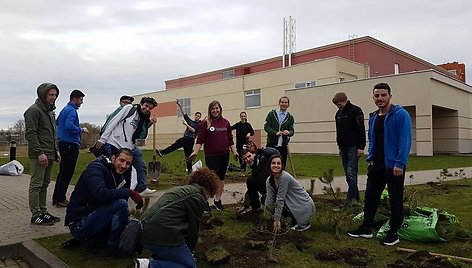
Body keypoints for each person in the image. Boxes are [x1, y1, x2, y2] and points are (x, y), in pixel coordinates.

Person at [348, 82, 412, 246]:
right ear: (373, 97)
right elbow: (373, 140)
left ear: (390, 96)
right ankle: (366, 228)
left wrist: (400, 163)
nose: (380, 98)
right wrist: (370, 159)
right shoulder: (375, 116)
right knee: (370, 197)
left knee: (395, 199)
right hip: (377, 164)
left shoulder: (400, 114)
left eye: (383, 95)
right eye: (377, 95)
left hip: (394, 166)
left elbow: (405, 140)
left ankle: (393, 233)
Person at [134, 167, 217, 268]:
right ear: (208, 188)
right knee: (189, 266)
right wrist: (189, 252)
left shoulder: (181, 190)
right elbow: (193, 229)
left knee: (173, 258)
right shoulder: (197, 197)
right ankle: (148, 265)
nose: (208, 199)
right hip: (161, 233)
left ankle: (157, 260)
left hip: (145, 229)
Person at [65, 148, 144, 253]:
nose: (124, 166)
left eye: (128, 163)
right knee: (121, 204)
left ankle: (104, 240)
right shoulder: (95, 169)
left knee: (133, 223)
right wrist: (130, 192)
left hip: (95, 216)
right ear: (113, 158)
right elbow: (101, 194)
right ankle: (112, 247)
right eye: (121, 160)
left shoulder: (118, 174)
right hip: (79, 223)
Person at [96, 96, 158, 196]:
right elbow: (114, 121)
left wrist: (150, 122)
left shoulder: (144, 117)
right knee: (115, 169)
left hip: (130, 146)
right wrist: (103, 139)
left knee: (139, 165)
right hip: (115, 143)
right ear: (141, 104)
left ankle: (138, 189)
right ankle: (108, 192)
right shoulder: (129, 109)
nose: (147, 109)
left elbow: (141, 129)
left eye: (150, 108)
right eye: (146, 106)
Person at [189, 100, 238, 211]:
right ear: (210, 110)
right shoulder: (205, 123)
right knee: (210, 179)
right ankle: (205, 201)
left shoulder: (225, 122)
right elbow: (200, 139)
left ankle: (217, 200)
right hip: (211, 155)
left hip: (224, 154)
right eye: (213, 108)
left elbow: (230, 139)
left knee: (221, 177)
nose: (215, 110)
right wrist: (195, 152)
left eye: (217, 108)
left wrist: (235, 152)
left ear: (220, 109)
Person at [24, 83, 61, 226]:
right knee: (36, 184)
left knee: (45, 184)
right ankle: (36, 215)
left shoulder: (50, 111)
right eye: (50, 94)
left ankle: (43, 211)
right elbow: (31, 134)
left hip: (50, 153)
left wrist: (56, 150)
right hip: (39, 154)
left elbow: (52, 134)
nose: (53, 97)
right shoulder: (33, 111)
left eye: (55, 95)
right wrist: (39, 153)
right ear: (43, 94)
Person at [52, 89, 89, 208]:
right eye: (81, 100)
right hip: (70, 144)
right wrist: (81, 129)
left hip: (63, 143)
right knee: (67, 173)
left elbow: (57, 123)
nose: (81, 102)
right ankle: (61, 198)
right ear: (75, 99)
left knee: (62, 172)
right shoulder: (72, 111)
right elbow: (69, 126)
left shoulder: (64, 110)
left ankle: (56, 197)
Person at [265, 155, 315, 233]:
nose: (276, 165)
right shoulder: (269, 180)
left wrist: (277, 220)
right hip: (291, 203)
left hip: (303, 205)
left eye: (279, 163)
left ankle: (301, 222)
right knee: (264, 198)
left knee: (279, 201)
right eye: (273, 163)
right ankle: (289, 220)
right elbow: (269, 198)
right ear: (269, 165)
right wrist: (267, 218)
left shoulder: (285, 177)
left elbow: (280, 199)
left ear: (282, 166)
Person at [332, 92, 366, 203]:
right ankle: (355, 198)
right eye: (337, 105)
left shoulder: (356, 111)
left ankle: (350, 199)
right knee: (348, 174)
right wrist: (340, 147)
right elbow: (339, 131)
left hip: (353, 147)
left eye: (339, 104)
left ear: (345, 100)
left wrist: (361, 147)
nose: (338, 106)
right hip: (344, 147)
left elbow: (361, 129)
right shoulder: (338, 114)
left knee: (351, 173)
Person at [156, 100, 201, 173]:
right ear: (195, 116)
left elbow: (193, 130)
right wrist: (179, 105)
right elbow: (184, 113)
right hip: (184, 139)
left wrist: (186, 124)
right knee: (174, 145)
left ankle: (189, 171)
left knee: (188, 157)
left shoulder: (199, 124)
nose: (197, 117)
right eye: (196, 115)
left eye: (198, 116)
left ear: (200, 117)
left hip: (190, 141)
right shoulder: (190, 121)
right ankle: (162, 153)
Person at [236, 141, 280, 214]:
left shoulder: (265, 160)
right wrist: (245, 205)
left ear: (254, 154)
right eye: (245, 159)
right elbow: (250, 190)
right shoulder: (254, 170)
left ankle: (277, 215)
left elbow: (275, 153)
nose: (248, 160)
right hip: (267, 191)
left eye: (249, 156)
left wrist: (259, 151)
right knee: (250, 180)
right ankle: (256, 209)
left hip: (278, 190)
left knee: (264, 199)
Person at [264, 96, 294, 168]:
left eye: (286, 102)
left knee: (281, 165)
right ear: (279, 103)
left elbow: (292, 131)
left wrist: (288, 132)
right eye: (282, 102)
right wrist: (275, 133)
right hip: (272, 144)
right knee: (269, 164)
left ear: (288, 104)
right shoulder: (272, 114)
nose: (284, 104)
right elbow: (266, 127)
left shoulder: (290, 118)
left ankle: (281, 179)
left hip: (283, 146)